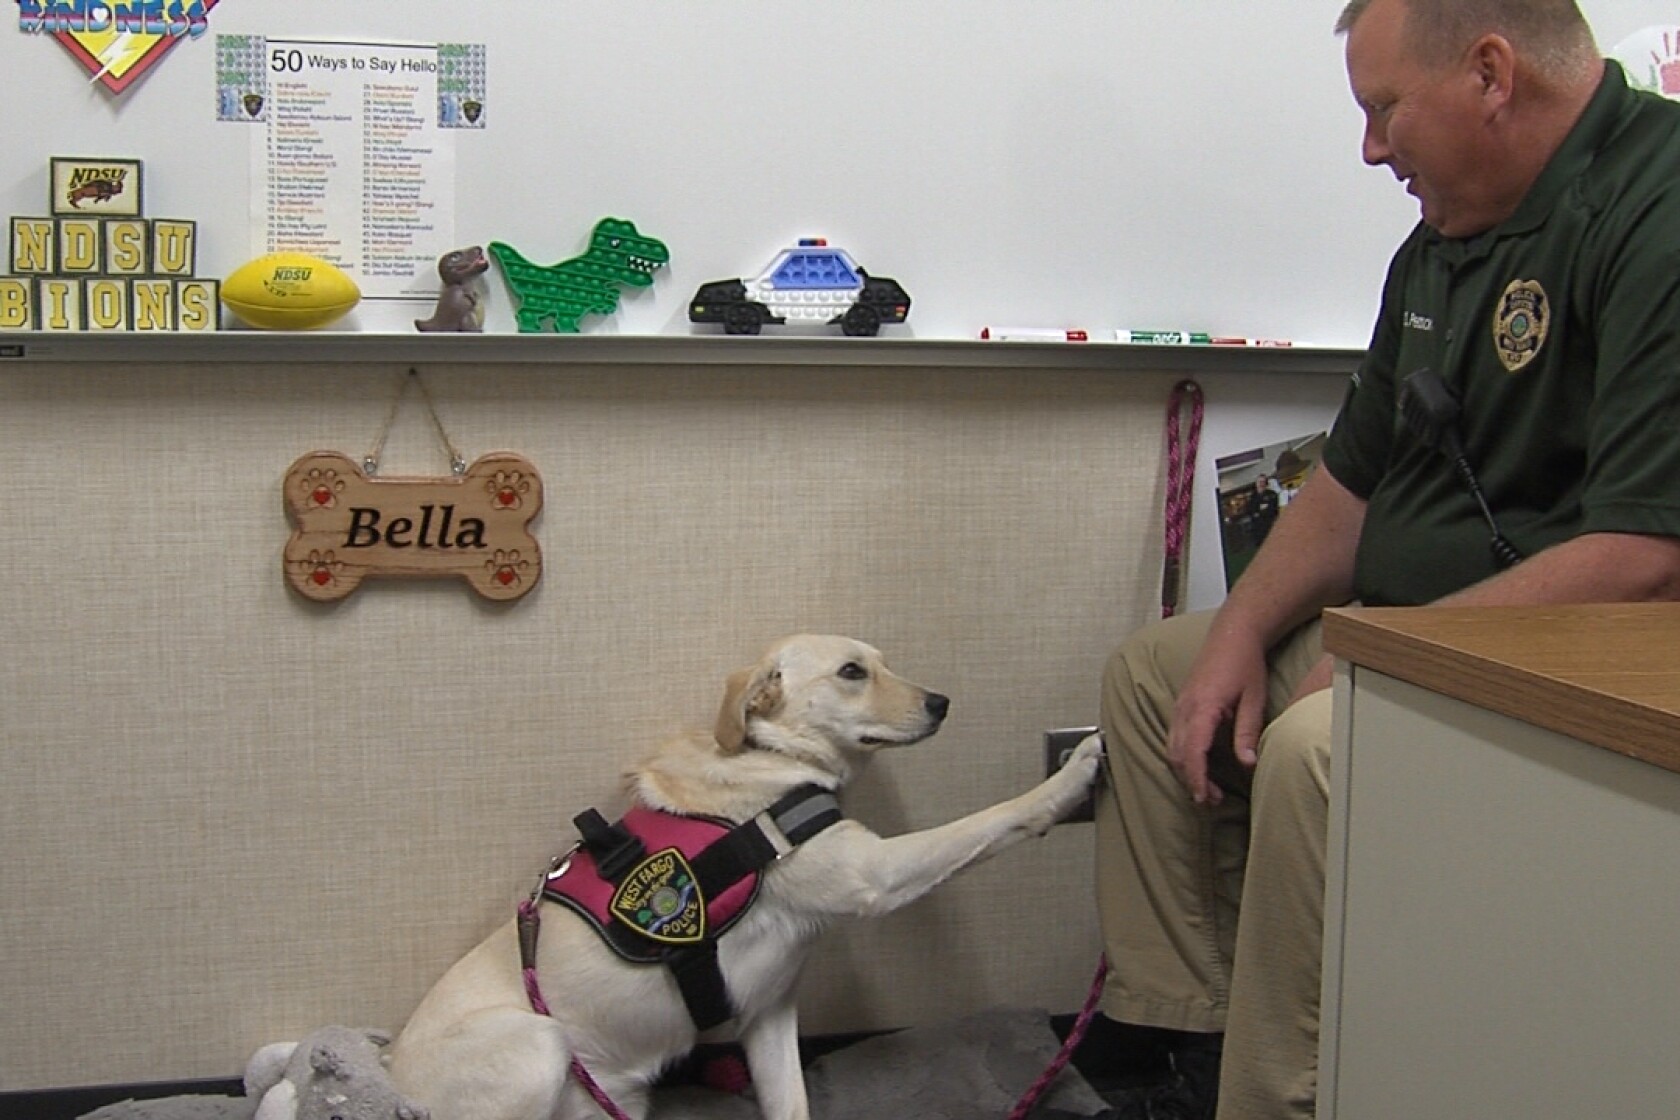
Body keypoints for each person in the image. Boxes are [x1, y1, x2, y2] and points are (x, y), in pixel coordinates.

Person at [1087, 2, 1680, 1118]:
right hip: (1413, 634)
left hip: (1564, 665)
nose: (1371, 149)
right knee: (1155, 677)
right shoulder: (1444, 242)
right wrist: (1238, 631)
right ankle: (1182, 1042)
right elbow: (1351, 484)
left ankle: (1282, 1096)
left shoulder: (1656, 213)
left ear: (1491, 75)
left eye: (1383, 109)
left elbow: (1647, 557)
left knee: (1315, 743)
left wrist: (1388, 658)